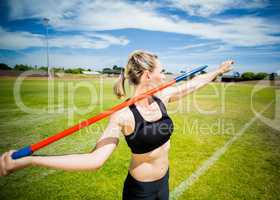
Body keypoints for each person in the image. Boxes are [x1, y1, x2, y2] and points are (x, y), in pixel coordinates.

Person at [0, 50, 233, 199]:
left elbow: (194, 84)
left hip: (164, 182)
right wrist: (31, 159)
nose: (165, 75)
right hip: (140, 191)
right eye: (162, 71)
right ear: (147, 75)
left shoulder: (162, 97)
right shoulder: (123, 115)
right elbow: (94, 161)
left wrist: (218, 71)